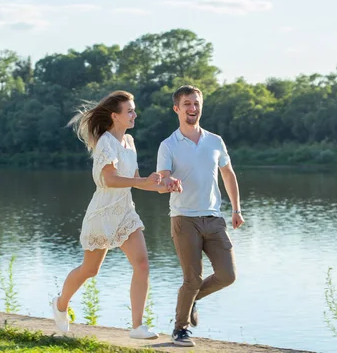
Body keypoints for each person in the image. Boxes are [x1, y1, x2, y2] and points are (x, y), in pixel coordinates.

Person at [52, 90, 181, 339]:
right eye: (129, 110)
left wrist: (164, 185)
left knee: (142, 264)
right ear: (115, 116)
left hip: (125, 212)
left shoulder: (129, 142)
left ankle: (137, 327)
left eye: (134, 109)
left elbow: (133, 181)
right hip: (102, 212)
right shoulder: (106, 143)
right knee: (90, 270)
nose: (134, 114)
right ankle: (60, 304)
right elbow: (109, 179)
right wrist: (143, 180)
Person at [156, 85, 245, 347]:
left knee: (227, 275)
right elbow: (161, 179)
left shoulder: (214, 141)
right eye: (187, 104)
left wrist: (236, 209)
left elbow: (228, 174)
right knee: (191, 279)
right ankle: (180, 329)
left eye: (196, 104)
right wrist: (168, 180)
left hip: (214, 218)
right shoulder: (168, 145)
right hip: (184, 219)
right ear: (177, 109)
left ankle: (192, 298)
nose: (192, 109)